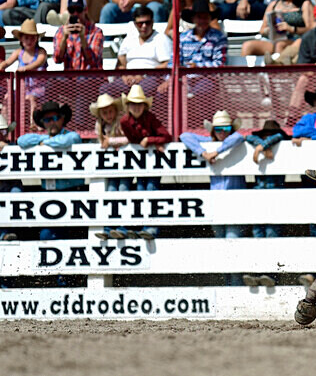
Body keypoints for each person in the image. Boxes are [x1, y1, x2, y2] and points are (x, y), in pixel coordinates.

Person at [180, 110, 249, 285]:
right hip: (216, 205)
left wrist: (216, 151)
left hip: (234, 206)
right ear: (213, 130)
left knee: (233, 244)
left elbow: (239, 137)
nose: (222, 131)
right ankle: (228, 284)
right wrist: (204, 152)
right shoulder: (209, 144)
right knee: (221, 247)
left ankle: (236, 285)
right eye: (218, 129)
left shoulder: (232, 141)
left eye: (226, 128)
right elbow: (184, 135)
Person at [119, 84, 171, 238]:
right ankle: (134, 226)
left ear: (144, 106)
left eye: (139, 104)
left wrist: (150, 139)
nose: (136, 108)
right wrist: (151, 142)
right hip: (137, 160)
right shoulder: (124, 122)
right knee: (137, 192)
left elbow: (166, 136)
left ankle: (150, 227)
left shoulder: (150, 118)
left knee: (150, 190)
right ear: (128, 106)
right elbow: (133, 140)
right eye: (133, 104)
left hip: (153, 160)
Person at [18, 102, 83, 199]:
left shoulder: (72, 135)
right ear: (43, 123)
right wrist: (44, 140)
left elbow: (65, 141)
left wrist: (45, 142)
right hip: (46, 192)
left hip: (72, 191)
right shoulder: (42, 138)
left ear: (62, 119)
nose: (52, 122)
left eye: (56, 118)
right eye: (47, 120)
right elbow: (21, 141)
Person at [241, 0, 314, 57]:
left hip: (294, 41)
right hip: (273, 40)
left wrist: (291, 28)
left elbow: (311, 29)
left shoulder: (305, 4)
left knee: (280, 45)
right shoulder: (274, 4)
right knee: (247, 46)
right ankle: (243, 70)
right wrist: (270, 30)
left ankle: (276, 67)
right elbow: (262, 29)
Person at [90, 93, 131, 239]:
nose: (108, 115)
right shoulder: (100, 126)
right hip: (111, 166)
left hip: (126, 164)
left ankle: (122, 227)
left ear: (115, 111)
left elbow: (129, 138)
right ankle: (109, 227)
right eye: (105, 112)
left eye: (110, 111)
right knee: (111, 192)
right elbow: (102, 143)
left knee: (123, 191)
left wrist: (111, 141)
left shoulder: (122, 123)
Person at [0, 20, 48, 125]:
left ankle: (33, 125)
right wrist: (1, 66)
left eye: (32, 38)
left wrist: (26, 68)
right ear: (21, 39)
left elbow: (40, 62)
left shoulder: (40, 52)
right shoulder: (18, 53)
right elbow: (7, 62)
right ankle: (6, 126)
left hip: (38, 89)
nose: (29, 41)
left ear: (37, 39)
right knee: (7, 97)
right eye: (26, 38)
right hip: (22, 89)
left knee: (31, 99)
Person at [53, 0, 104, 70]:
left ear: (85, 10)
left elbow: (94, 61)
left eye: (79, 9)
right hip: (71, 79)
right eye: (72, 10)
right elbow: (57, 59)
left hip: (91, 79)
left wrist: (82, 38)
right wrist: (64, 38)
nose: (75, 13)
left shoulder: (96, 32)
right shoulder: (62, 31)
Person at [178, 0, 227, 68]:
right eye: (199, 17)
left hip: (210, 77)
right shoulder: (183, 38)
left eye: (205, 17)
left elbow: (220, 63)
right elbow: (173, 63)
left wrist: (198, 66)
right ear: (193, 19)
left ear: (210, 19)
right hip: (186, 77)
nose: (202, 21)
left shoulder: (219, 38)